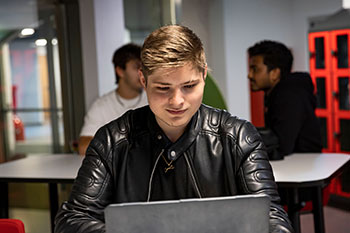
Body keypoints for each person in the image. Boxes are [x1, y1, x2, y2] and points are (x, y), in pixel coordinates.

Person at [55, 25, 293, 233]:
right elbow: (71, 220)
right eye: (163, 88)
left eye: (189, 86)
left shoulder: (238, 137)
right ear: (143, 80)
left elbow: (272, 218)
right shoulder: (111, 140)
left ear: (203, 75)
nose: (177, 101)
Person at [248, 40, 322, 157]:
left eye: (255, 69)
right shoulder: (276, 93)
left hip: (302, 170)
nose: (250, 75)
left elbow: (282, 147)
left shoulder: (288, 97)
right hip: (297, 167)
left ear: (275, 74)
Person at [78, 43, 148, 155]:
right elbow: (83, 147)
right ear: (120, 71)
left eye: (144, 68)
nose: (142, 73)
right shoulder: (101, 105)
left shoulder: (152, 100)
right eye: (136, 67)